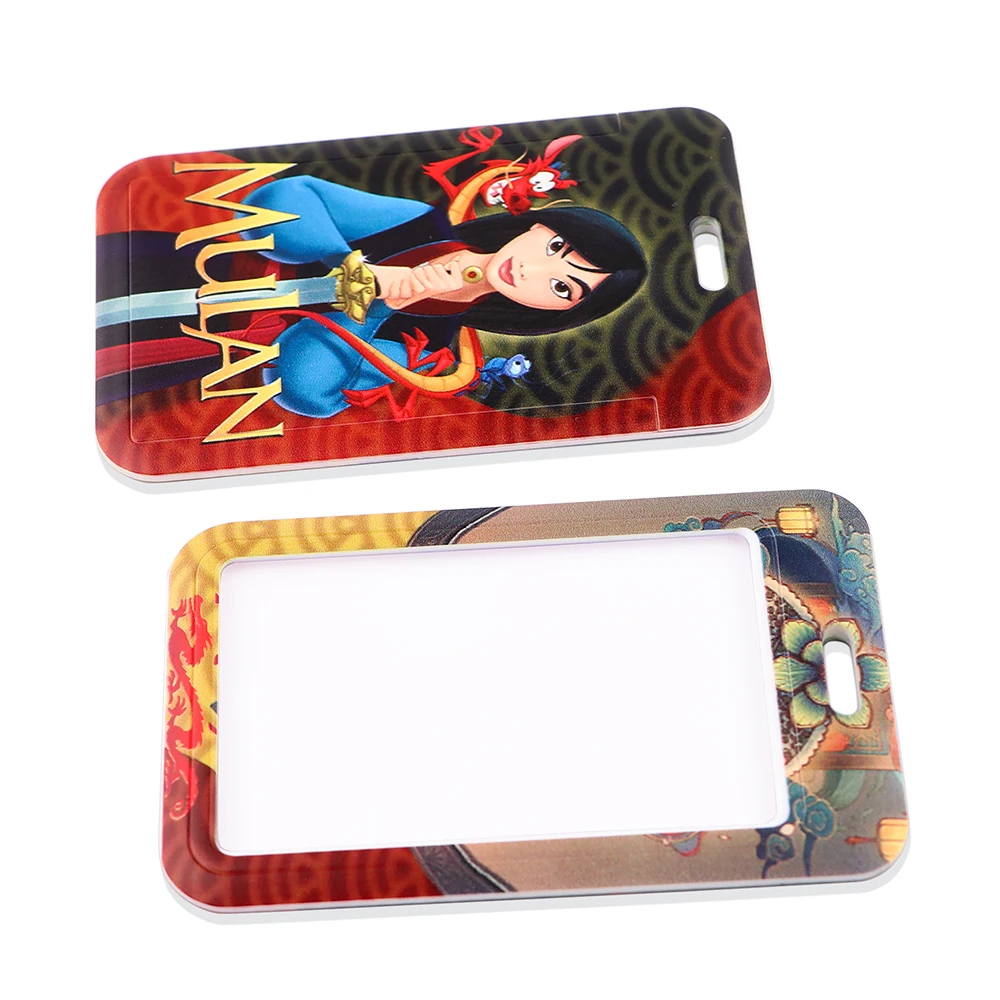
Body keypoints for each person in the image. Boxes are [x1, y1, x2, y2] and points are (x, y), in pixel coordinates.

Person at [238, 175, 647, 418]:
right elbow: (274, 203)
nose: (530, 270)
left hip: (218, 350)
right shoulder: (420, 226)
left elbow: (301, 389)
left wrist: (383, 306)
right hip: (217, 261)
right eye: (555, 248)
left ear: (558, 312)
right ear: (539, 226)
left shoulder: (429, 345)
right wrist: (348, 262)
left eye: (561, 287)